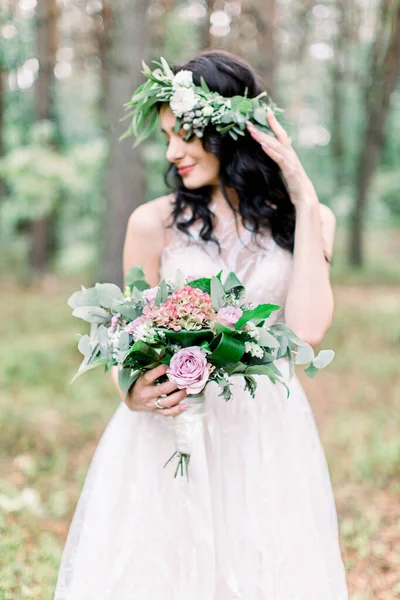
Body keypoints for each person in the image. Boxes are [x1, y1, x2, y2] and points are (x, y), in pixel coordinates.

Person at [54, 50, 349, 600]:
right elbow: (127, 339)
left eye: (184, 134)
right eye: (166, 135)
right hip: (171, 428)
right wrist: (130, 390)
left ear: (229, 129)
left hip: (266, 429)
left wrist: (304, 196)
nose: (172, 152)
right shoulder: (153, 223)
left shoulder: (310, 220)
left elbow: (306, 331)